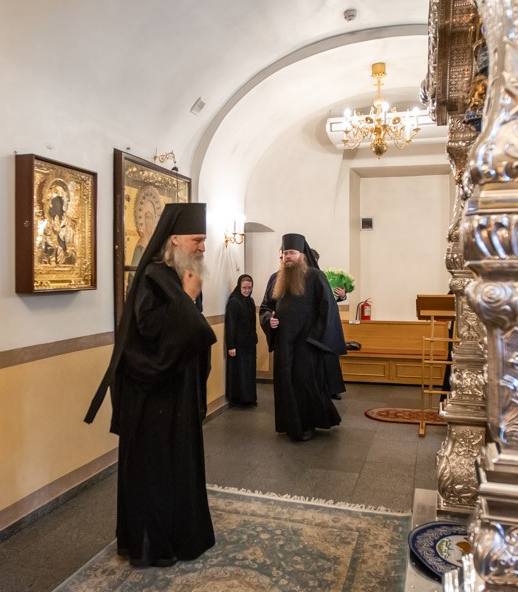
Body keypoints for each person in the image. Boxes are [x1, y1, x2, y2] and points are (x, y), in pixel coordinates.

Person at [85, 203, 216, 567]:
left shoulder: (177, 276)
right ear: (174, 239)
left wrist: (187, 299)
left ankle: (182, 536)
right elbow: (153, 337)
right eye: (197, 239)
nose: (203, 247)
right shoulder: (154, 278)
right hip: (154, 399)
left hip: (177, 395)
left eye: (204, 240)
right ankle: (153, 547)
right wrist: (188, 299)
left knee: (178, 468)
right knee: (156, 474)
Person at [259, 233, 345, 441]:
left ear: (302, 255)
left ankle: (306, 425)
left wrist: (314, 338)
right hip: (283, 342)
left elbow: (328, 310)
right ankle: (289, 424)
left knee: (304, 384)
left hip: (307, 343)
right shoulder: (275, 278)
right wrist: (269, 320)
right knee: (285, 384)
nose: (287, 257)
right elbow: (266, 307)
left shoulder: (315, 276)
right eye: (285, 253)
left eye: (292, 253)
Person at [308, 248, 347, 401]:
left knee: (330, 356)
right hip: (313, 322)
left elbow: (330, 298)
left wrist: (342, 296)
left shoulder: (323, 276)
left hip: (328, 321)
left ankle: (333, 389)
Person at [224, 274, 258, 407]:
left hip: (249, 344)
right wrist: (231, 345)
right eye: (244, 287)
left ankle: (249, 398)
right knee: (239, 372)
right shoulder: (234, 302)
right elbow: (230, 325)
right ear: (239, 287)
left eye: (249, 287)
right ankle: (238, 400)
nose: (247, 290)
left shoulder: (251, 301)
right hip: (238, 345)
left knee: (249, 372)